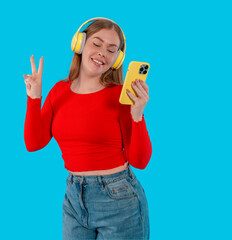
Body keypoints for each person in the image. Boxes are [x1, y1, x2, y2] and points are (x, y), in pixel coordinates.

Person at [23, 17, 152, 240]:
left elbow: (140, 161)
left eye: (112, 49)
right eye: (97, 43)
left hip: (119, 198)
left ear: (118, 58)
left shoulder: (120, 97)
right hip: (74, 196)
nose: (103, 52)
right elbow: (34, 143)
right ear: (79, 44)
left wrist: (137, 115)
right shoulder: (59, 91)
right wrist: (34, 98)